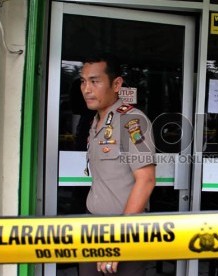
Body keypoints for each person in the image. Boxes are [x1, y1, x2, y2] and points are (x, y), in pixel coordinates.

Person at [78, 53, 156, 275]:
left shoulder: (132, 121)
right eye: (83, 81)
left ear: (116, 84)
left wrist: (118, 241)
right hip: (92, 229)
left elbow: (146, 180)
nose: (86, 89)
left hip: (124, 231)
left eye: (95, 81)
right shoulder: (95, 121)